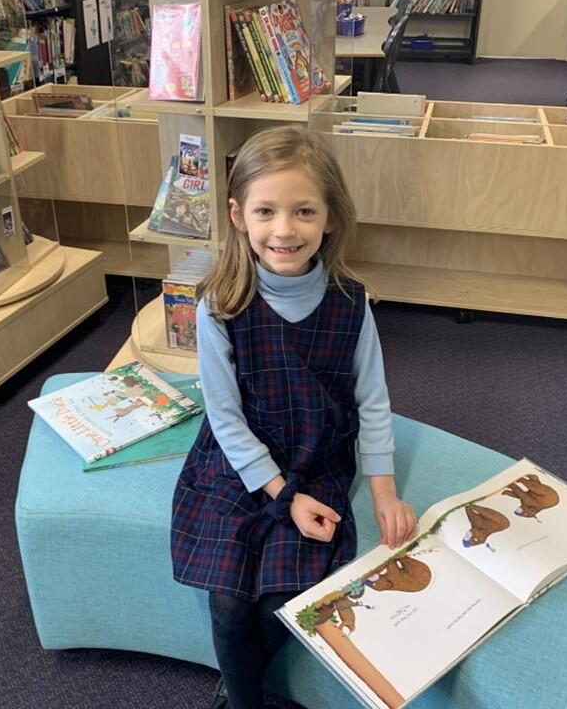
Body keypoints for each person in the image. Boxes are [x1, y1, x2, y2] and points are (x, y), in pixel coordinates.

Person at [170, 126, 418, 709]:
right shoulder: (219, 303)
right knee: (228, 599)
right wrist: (283, 496)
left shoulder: (351, 302)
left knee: (283, 594)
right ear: (239, 215)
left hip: (315, 456)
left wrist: (384, 493)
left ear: (330, 218)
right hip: (238, 463)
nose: (284, 230)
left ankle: (237, 689)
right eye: (266, 211)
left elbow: (373, 401)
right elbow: (225, 418)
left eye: (304, 211)